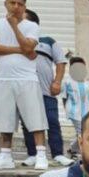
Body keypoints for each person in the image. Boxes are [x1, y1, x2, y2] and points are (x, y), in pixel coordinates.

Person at [0, 0, 46, 171]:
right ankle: (5, 155)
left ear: (25, 6)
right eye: (12, 3)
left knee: (35, 118)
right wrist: (19, 50)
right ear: (5, 4)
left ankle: (41, 154)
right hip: (3, 77)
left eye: (20, 4)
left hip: (27, 78)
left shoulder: (31, 26)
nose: (16, 7)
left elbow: (28, 47)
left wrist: (14, 26)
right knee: (5, 119)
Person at [21, 9, 70, 168]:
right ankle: (33, 155)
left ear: (34, 24)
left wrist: (57, 82)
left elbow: (61, 62)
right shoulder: (16, 41)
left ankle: (58, 154)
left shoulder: (48, 41)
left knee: (52, 121)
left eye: (23, 20)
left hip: (46, 91)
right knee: (28, 124)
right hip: (25, 91)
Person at [62, 57, 89, 158]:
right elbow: (64, 97)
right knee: (82, 132)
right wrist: (67, 110)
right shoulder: (67, 82)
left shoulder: (88, 83)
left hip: (86, 112)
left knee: (83, 131)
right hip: (74, 112)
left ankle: (73, 148)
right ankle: (83, 152)